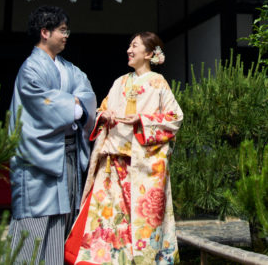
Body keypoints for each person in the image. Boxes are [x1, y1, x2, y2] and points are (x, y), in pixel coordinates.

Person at [64, 31, 183, 265]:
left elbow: (174, 118)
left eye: (135, 46)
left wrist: (142, 120)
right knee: (105, 219)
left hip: (141, 165)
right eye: (129, 45)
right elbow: (102, 109)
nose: (129, 50)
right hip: (112, 163)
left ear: (149, 53)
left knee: (139, 222)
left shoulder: (158, 83)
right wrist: (104, 115)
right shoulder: (120, 82)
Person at [9, 5, 97, 265]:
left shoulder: (70, 68)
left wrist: (77, 108)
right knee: (33, 225)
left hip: (66, 157)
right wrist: (75, 107)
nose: (66, 35)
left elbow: (87, 96)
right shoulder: (30, 69)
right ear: (44, 32)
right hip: (38, 161)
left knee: (62, 223)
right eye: (62, 30)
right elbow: (44, 103)